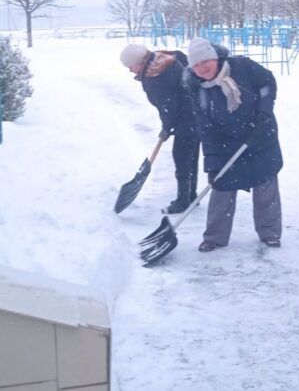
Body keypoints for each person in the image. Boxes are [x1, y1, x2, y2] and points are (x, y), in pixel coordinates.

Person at [185, 38, 283, 252]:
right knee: (221, 186)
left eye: (205, 62)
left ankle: (270, 232)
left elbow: (267, 83)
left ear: (214, 58)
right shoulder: (197, 89)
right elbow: (205, 126)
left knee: (265, 184)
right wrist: (212, 162)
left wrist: (265, 110)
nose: (202, 69)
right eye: (197, 65)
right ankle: (215, 236)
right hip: (226, 141)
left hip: (260, 133)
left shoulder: (242, 66)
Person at [120, 43, 200, 213]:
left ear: (140, 62)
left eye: (130, 66)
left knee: (181, 157)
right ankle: (191, 195)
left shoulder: (155, 77)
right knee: (191, 155)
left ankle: (183, 200)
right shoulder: (167, 59)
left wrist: (167, 126)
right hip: (199, 111)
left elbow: (169, 107)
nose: (130, 70)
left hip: (187, 117)